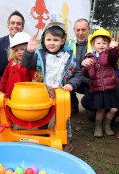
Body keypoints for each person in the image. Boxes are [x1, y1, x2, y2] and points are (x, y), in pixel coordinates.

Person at [22, 22, 82, 152]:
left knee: (63, 119)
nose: (52, 43)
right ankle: (42, 138)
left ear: (62, 41)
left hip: (62, 94)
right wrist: (28, 52)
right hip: (42, 93)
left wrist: (71, 84)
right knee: (42, 117)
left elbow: (78, 73)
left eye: (56, 40)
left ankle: (65, 141)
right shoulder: (39, 55)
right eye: (48, 39)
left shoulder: (69, 57)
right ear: (43, 40)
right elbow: (27, 64)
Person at [82, 29, 119, 137]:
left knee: (114, 109)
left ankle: (106, 125)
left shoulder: (108, 54)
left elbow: (113, 58)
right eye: (98, 43)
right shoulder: (89, 56)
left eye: (104, 43)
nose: (101, 45)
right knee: (100, 109)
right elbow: (87, 74)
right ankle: (98, 127)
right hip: (98, 88)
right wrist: (85, 66)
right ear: (93, 44)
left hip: (111, 86)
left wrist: (113, 49)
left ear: (108, 44)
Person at [0, 10, 25, 102]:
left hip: (21, 82)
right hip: (0, 80)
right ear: (8, 26)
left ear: (22, 27)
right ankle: (0, 112)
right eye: (12, 23)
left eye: (18, 24)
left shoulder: (28, 45)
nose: (15, 26)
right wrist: (4, 83)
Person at [0, 32, 35, 98]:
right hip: (10, 96)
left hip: (26, 96)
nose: (19, 52)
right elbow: (4, 78)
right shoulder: (11, 64)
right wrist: (1, 90)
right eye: (16, 50)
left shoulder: (30, 65)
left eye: (22, 49)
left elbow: (34, 81)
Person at [70, 18, 92, 116]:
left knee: (91, 116)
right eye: (77, 30)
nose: (80, 33)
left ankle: (89, 105)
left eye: (83, 30)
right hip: (75, 79)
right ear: (74, 30)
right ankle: (73, 104)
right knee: (65, 81)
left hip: (91, 82)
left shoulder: (96, 44)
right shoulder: (69, 45)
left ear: (89, 30)